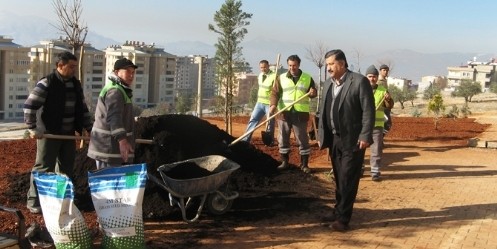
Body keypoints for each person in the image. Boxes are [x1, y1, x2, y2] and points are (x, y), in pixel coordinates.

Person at [23, 51, 93, 214]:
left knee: (66, 168)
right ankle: (33, 200)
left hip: (68, 134)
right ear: (59, 66)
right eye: (71, 67)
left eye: (75, 67)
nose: (74, 70)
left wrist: (89, 128)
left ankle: (61, 199)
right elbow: (29, 105)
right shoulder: (47, 83)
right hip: (49, 133)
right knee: (43, 167)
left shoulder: (75, 84)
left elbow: (82, 109)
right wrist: (32, 128)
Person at [317, 49, 375, 231]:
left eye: (331, 64)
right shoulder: (328, 84)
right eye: (327, 64)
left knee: (348, 178)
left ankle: (343, 219)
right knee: (339, 177)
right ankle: (338, 209)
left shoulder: (359, 81)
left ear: (342, 64)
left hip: (353, 139)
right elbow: (322, 110)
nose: (328, 68)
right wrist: (320, 134)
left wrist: (365, 136)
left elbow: (368, 111)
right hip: (334, 138)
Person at [269, 54, 317, 173]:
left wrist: (312, 93)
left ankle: (304, 165)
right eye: (290, 65)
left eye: (294, 65)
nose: (292, 67)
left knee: (302, 139)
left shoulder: (307, 78)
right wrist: (273, 105)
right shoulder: (281, 77)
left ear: (299, 65)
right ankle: (284, 162)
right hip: (284, 113)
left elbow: (313, 93)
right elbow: (275, 93)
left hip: (300, 114)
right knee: (283, 138)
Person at [87, 58, 137, 169]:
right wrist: (122, 141)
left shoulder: (120, 90)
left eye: (133, 72)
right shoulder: (115, 91)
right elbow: (114, 118)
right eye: (128, 71)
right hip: (108, 150)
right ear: (116, 72)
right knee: (109, 184)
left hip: (111, 150)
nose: (131, 75)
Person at [365, 65, 394, 181]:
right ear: (366, 77)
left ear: (377, 78)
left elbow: (389, 105)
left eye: (374, 77)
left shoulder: (382, 90)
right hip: (363, 125)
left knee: (376, 149)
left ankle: (375, 171)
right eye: (370, 76)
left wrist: (388, 99)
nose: (372, 79)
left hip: (377, 126)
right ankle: (360, 169)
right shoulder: (361, 88)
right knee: (359, 148)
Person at [241, 60, 276, 144]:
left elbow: (276, 91)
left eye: (264, 67)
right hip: (259, 103)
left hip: (269, 103)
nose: (263, 69)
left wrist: (273, 104)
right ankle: (246, 140)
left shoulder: (274, 76)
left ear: (268, 66)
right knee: (253, 119)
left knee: (270, 122)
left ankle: (269, 141)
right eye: (261, 67)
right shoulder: (260, 76)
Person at [378, 64, 392, 134]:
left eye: (387, 70)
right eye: (384, 70)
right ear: (380, 71)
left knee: (384, 124)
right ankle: (379, 139)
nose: (385, 72)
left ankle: (379, 139)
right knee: (387, 124)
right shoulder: (379, 82)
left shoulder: (384, 81)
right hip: (381, 106)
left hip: (385, 106)